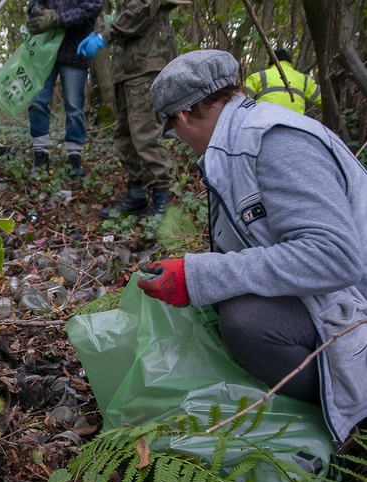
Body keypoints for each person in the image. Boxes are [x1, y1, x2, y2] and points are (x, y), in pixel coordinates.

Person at [137, 49, 367, 447]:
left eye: (174, 134)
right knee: (227, 304)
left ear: (183, 118)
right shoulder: (235, 143)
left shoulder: (274, 139)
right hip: (328, 298)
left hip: (353, 303)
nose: (181, 143)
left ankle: (346, 425)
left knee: (247, 321)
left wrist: (201, 275)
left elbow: (337, 256)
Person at [78, 0, 189, 217]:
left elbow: (143, 7)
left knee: (144, 131)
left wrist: (104, 35)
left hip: (147, 64)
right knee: (125, 133)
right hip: (126, 67)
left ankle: (162, 198)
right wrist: (102, 32)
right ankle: (136, 194)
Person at [25, 0, 102, 179]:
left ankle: (74, 156)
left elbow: (92, 7)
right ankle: (40, 154)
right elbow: (33, 6)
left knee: (74, 106)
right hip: (45, 51)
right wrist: (38, 12)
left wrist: (60, 19)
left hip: (75, 51)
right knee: (37, 101)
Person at [245, 48, 321, 115]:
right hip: (295, 125)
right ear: (289, 63)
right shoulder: (304, 79)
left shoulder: (259, 76)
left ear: (270, 63)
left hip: (265, 122)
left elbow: (241, 101)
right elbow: (323, 99)